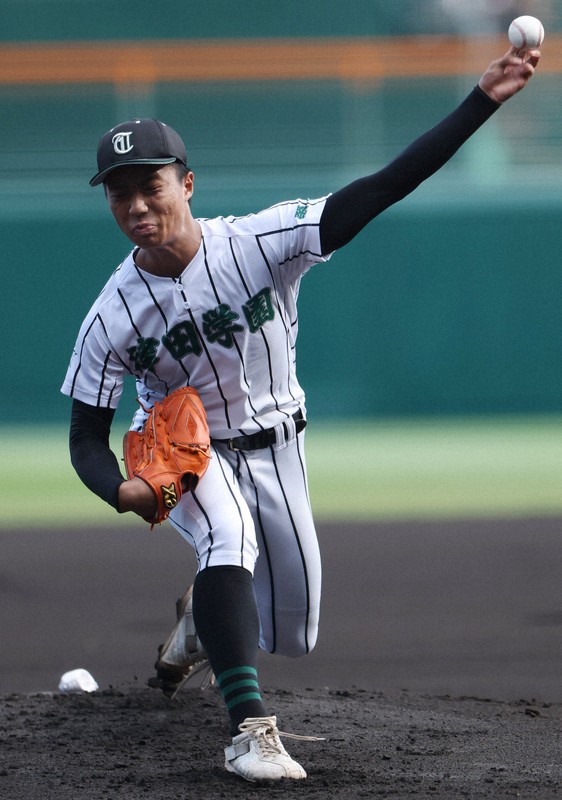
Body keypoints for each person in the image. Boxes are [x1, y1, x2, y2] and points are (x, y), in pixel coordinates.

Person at [61, 46, 539, 782]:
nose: (136, 206)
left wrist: (481, 102)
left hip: (281, 446)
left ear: (187, 183)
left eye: (150, 186)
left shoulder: (258, 244)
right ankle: (248, 733)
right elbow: (86, 439)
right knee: (227, 533)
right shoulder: (110, 315)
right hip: (193, 459)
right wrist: (117, 489)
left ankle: (198, 622)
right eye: (118, 193)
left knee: (295, 630)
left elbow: (381, 189)